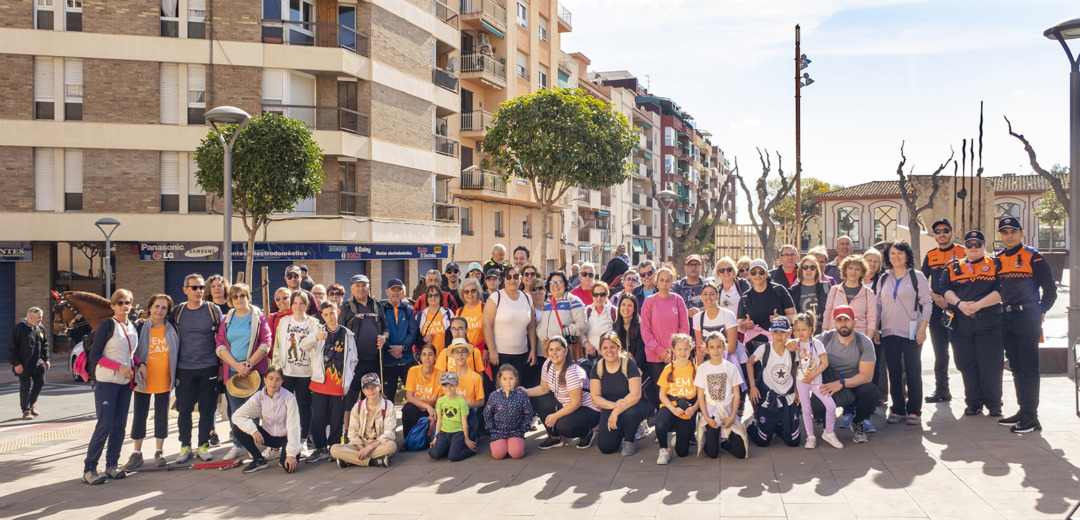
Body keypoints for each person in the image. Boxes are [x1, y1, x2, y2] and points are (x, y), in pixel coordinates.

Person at [996, 217, 1057, 433]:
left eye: (1013, 231)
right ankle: (1024, 411)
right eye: (1004, 232)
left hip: (1027, 317)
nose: (1009, 235)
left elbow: (1050, 288)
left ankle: (1032, 417)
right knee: (1016, 367)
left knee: (1029, 368)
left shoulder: (1033, 256)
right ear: (1000, 236)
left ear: (1022, 233)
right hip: (1007, 318)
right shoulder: (999, 258)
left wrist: (1040, 311)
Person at [938, 230, 1004, 418]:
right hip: (961, 324)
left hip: (989, 322)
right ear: (964, 246)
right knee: (966, 364)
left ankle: (994, 404)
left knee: (990, 364)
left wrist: (978, 305)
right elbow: (944, 289)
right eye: (970, 244)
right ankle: (973, 403)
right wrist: (959, 304)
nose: (974, 248)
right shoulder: (952, 266)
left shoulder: (995, 265)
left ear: (984, 245)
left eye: (978, 244)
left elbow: (1001, 289)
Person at [83, 289, 140, 484]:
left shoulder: (132, 326)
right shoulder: (107, 326)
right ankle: (89, 469)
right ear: (113, 306)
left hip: (125, 383)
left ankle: (111, 465)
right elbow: (95, 356)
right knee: (104, 425)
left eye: (128, 303)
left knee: (119, 426)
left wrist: (140, 364)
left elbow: (131, 353)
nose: (125, 306)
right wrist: (119, 367)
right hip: (107, 382)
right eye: (121, 303)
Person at [215, 283, 273, 461]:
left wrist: (248, 365)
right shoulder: (228, 318)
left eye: (243, 295)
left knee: (252, 409)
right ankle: (238, 445)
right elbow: (220, 344)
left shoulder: (258, 317)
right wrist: (237, 365)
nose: (239, 299)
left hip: (253, 372)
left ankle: (253, 445)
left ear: (248, 297)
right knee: (236, 410)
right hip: (232, 372)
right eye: (235, 296)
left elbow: (266, 342)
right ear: (231, 300)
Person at [171, 274, 223, 464]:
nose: (199, 291)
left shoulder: (213, 309)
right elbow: (161, 328)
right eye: (194, 288)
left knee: (207, 409)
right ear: (185, 290)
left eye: (201, 287)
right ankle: (185, 446)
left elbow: (222, 337)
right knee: (184, 410)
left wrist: (221, 365)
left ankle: (203, 445)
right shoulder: (177, 311)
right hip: (184, 368)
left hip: (208, 366)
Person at [124, 295, 179, 470]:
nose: (159, 310)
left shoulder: (173, 329)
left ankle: (159, 451)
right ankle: (137, 453)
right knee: (140, 416)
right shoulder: (139, 327)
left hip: (164, 380)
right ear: (150, 307)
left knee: (162, 417)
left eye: (164, 307)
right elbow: (131, 350)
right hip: (143, 380)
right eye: (156, 306)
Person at [813, 305, 878, 444]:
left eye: (847, 320)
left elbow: (866, 376)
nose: (843, 324)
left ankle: (858, 422)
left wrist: (841, 383)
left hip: (853, 385)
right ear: (834, 323)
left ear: (855, 322)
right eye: (839, 320)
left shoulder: (864, 342)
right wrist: (791, 344)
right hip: (829, 385)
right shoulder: (823, 340)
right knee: (816, 403)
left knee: (871, 391)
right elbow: (803, 347)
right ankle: (828, 427)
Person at [302, 301, 358, 462]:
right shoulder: (318, 332)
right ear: (322, 316)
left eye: (332, 313)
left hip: (338, 385)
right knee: (318, 417)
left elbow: (353, 359)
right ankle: (320, 448)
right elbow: (303, 345)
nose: (329, 317)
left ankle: (334, 447)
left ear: (338, 312)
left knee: (336, 418)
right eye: (325, 314)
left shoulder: (347, 334)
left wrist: (348, 377)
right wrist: (315, 337)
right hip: (320, 383)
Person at [526, 336, 601, 449]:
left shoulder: (572, 371)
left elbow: (576, 403)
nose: (554, 353)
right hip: (567, 404)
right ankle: (555, 437)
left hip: (588, 408)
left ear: (565, 351)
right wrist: (524, 391)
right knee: (538, 398)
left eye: (558, 349)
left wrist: (555, 416)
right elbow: (543, 388)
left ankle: (586, 433)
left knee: (564, 426)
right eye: (551, 350)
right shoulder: (548, 363)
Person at [640, 267, 689, 425]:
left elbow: (684, 328)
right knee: (659, 393)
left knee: (676, 391)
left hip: (676, 356)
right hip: (655, 357)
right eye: (661, 280)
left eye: (668, 280)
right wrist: (660, 350)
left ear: (673, 281)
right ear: (656, 281)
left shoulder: (677, 300)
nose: (664, 283)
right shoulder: (650, 301)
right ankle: (662, 426)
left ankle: (678, 424)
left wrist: (674, 352)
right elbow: (645, 330)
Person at [230, 366, 301, 474]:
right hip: (269, 434)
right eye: (271, 379)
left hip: (286, 437)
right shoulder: (259, 396)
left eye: (277, 380)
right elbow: (237, 416)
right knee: (237, 429)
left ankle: (286, 454)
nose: (274, 383)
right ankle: (259, 460)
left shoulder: (289, 398)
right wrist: (253, 430)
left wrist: (291, 454)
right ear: (265, 380)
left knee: (289, 468)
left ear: (281, 381)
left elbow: (293, 426)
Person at [745, 317, 802, 448]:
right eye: (775, 332)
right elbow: (749, 362)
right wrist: (753, 387)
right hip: (769, 398)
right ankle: (752, 427)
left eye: (783, 332)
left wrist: (795, 390)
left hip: (787, 397)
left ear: (789, 332)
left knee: (793, 442)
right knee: (763, 441)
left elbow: (794, 368)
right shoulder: (765, 349)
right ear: (771, 332)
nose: (779, 335)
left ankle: (779, 426)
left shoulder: (792, 350)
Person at [921, 218, 960, 403]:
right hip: (938, 310)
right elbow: (921, 281)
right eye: (938, 231)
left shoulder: (962, 252)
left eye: (945, 230)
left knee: (962, 352)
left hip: (959, 309)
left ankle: (974, 395)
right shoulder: (930, 255)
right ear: (934, 235)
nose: (942, 234)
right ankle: (942, 390)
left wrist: (951, 300)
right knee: (940, 352)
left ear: (951, 232)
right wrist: (934, 297)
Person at [273, 290, 319, 450]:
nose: (298, 306)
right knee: (283, 407)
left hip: (306, 373)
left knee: (305, 407)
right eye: (295, 303)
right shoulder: (284, 322)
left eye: (301, 303)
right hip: (287, 372)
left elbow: (318, 349)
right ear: (291, 305)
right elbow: (277, 346)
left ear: (306, 305)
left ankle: (303, 441)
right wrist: (276, 369)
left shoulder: (314, 324)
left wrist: (316, 374)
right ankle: (282, 441)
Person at [339, 274, 388, 422]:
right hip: (354, 362)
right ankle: (347, 432)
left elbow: (386, 328)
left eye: (364, 285)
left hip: (374, 360)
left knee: (374, 396)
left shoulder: (377, 305)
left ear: (368, 287)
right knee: (350, 398)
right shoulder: (346, 307)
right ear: (351, 289)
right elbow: (341, 332)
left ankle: (374, 427)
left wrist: (384, 337)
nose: (361, 289)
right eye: (358, 286)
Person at [791, 313, 842, 449]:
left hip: (816, 382)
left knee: (831, 406)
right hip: (801, 382)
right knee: (806, 409)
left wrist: (813, 375)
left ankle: (829, 432)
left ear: (810, 329)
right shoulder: (795, 344)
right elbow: (794, 364)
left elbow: (825, 363)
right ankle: (811, 436)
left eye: (803, 329)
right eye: (797, 330)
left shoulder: (817, 343)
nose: (801, 333)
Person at [589, 332, 646, 456]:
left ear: (619, 348)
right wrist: (614, 406)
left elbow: (636, 394)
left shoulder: (629, 365)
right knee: (606, 447)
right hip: (609, 404)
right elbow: (595, 396)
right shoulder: (597, 367)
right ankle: (621, 431)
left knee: (630, 413)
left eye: (612, 347)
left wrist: (615, 412)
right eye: (605, 347)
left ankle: (630, 439)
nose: (609, 350)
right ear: (600, 350)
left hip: (632, 404)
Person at [695, 331, 748, 459]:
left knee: (741, 453)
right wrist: (706, 417)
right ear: (706, 349)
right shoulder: (702, 369)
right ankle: (712, 437)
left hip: (728, 412)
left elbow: (736, 395)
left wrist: (732, 416)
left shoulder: (731, 368)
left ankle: (724, 442)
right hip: (711, 413)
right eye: (712, 347)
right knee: (712, 453)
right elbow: (700, 396)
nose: (716, 350)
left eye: (719, 346)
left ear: (724, 347)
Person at [483, 265, 536, 381]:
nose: (513, 280)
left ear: (520, 278)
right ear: (503, 280)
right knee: (501, 390)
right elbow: (487, 326)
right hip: (500, 354)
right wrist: (492, 350)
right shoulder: (495, 298)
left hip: (522, 354)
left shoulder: (528, 299)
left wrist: (533, 350)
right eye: (509, 277)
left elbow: (531, 327)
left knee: (518, 389)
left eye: (516, 276)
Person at [331, 373, 396, 468]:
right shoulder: (358, 407)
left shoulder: (388, 405)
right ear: (363, 391)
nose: (371, 390)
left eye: (374, 386)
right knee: (334, 449)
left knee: (391, 446)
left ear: (380, 387)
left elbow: (389, 434)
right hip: (360, 445)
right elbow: (352, 433)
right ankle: (373, 461)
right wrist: (362, 449)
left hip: (378, 445)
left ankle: (351, 460)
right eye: (367, 388)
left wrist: (369, 448)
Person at [737, 259, 796, 358]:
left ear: (766, 274)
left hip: (779, 343)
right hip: (754, 347)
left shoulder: (779, 290)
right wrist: (745, 324)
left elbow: (793, 315)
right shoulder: (745, 297)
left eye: (761, 272)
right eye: (753, 272)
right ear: (750, 275)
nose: (757, 275)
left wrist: (781, 319)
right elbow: (739, 326)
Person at [655, 334, 699, 464]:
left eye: (686, 349)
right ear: (673, 350)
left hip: (686, 410)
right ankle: (663, 449)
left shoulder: (696, 370)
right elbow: (662, 395)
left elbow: (701, 395)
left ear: (691, 348)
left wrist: (695, 407)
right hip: (670, 406)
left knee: (682, 452)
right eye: (679, 349)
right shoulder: (669, 369)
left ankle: (679, 439)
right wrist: (672, 409)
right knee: (660, 422)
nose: (682, 352)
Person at [484, 364, 534, 460]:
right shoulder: (494, 395)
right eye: (505, 379)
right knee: (498, 455)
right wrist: (492, 429)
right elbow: (487, 414)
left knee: (516, 454)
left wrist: (522, 429)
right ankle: (503, 446)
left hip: (516, 431)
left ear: (516, 379)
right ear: (499, 380)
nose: (508, 382)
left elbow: (528, 413)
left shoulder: (522, 395)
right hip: (498, 432)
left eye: (511, 378)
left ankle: (513, 445)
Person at [9, 307, 49, 421]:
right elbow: (12, 349)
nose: (41, 319)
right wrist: (16, 363)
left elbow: (44, 344)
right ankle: (25, 410)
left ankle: (31, 404)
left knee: (40, 382)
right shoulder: (18, 329)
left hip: (38, 363)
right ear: (31, 317)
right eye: (39, 317)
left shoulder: (40, 328)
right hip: (23, 364)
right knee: (25, 387)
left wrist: (46, 359)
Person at [428, 371, 477, 461]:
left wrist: (466, 439)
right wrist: (436, 437)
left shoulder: (462, 402)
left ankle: (471, 450)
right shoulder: (440, 401)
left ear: (457, 385)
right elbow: (439, 420)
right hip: (444, 432)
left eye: (451, 385)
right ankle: (450, 447)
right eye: (445, 386)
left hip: (458, 432)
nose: (448, 388)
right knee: (433, 453)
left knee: (453, 457)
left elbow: (464, 421)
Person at [823, 255, 878, 336]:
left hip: (859, 338)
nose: (853, 272)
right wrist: (825, 334)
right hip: (835, 336)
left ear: (862, 272)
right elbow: (827, 313)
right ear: (845, 270)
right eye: (850, 268)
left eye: (857, 269)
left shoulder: (868, 293)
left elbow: (871, 318)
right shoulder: (834, 290)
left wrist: (868, 340)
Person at [381, 278, 416, 403]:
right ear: (387, 292)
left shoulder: (408, 310)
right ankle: (387, 421)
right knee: (387, 397)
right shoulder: (381, 310)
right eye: (393, 290)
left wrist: (402, 348)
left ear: (403, 293)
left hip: (406, 360)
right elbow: (379, 331)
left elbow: (413, 332)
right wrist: (390, 349)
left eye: (399, 290)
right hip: (388, 361)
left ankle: (414, 421)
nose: (396, 293)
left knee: (414, 395)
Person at [446, 338, 486, 440]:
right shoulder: (448, 377)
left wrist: (466, 406)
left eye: (463, 352)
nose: (460, 355)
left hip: (470, 410)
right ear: (452, 355)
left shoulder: (475, 377)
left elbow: (481, 402)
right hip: (452, 413)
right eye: (456, 352)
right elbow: (443, 398)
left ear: (468, 354)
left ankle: (471, 436)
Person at [693, 282, 738, 365]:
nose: (708, 297)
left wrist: (708, 349)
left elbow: (732, 348)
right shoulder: (697, 318)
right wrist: (699, 370)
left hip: (729, 361)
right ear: (701, 297)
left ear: (717, 296)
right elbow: (700, 349)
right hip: (708, 363)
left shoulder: (728, 315)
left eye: (712, 294)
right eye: (705, 294)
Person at [403, 344, 442, 436]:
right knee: (407, 408)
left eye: (430, 354)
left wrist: (435, 412)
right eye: (424, 354)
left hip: (432, 410)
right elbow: (409, 397)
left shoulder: (440, 373)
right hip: (417, 409)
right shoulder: (413, 371)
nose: (427, 358)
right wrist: (427, 406)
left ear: (435, 357)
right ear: (420, 357)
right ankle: (408, 441)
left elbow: (439, 398)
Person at [584, 281, 618, 359]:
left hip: (609, 355)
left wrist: (605, 347)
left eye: (602, 294)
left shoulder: (614, 311)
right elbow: (582, 332)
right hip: (590, 356)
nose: (599, 298)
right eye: (595, 295)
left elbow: (618, 334)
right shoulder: (587, 311)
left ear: (607, 295)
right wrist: (586, 344)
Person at [416, 285, 452, 358]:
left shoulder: (448, 313)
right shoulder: (420, 316)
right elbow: (415, 339)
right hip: (427, 360)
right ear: (426, 298)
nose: (433, 297)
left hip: (444, 358)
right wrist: (424, 339)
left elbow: (453, 336)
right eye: (430, 295)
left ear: (440, 297)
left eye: (436, 295)